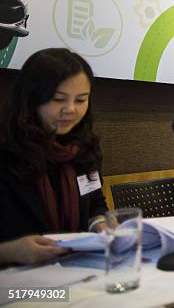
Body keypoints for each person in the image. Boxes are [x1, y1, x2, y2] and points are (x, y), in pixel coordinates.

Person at [0, 48, 108, 265]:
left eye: (81, 100)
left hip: (75, 270)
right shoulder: (6, 151)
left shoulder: (83, 148)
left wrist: (99, 222)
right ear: (32, 99)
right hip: (15, 286)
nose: (71, 110)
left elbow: (95, 203)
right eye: (59, 99)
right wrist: (9, 252)